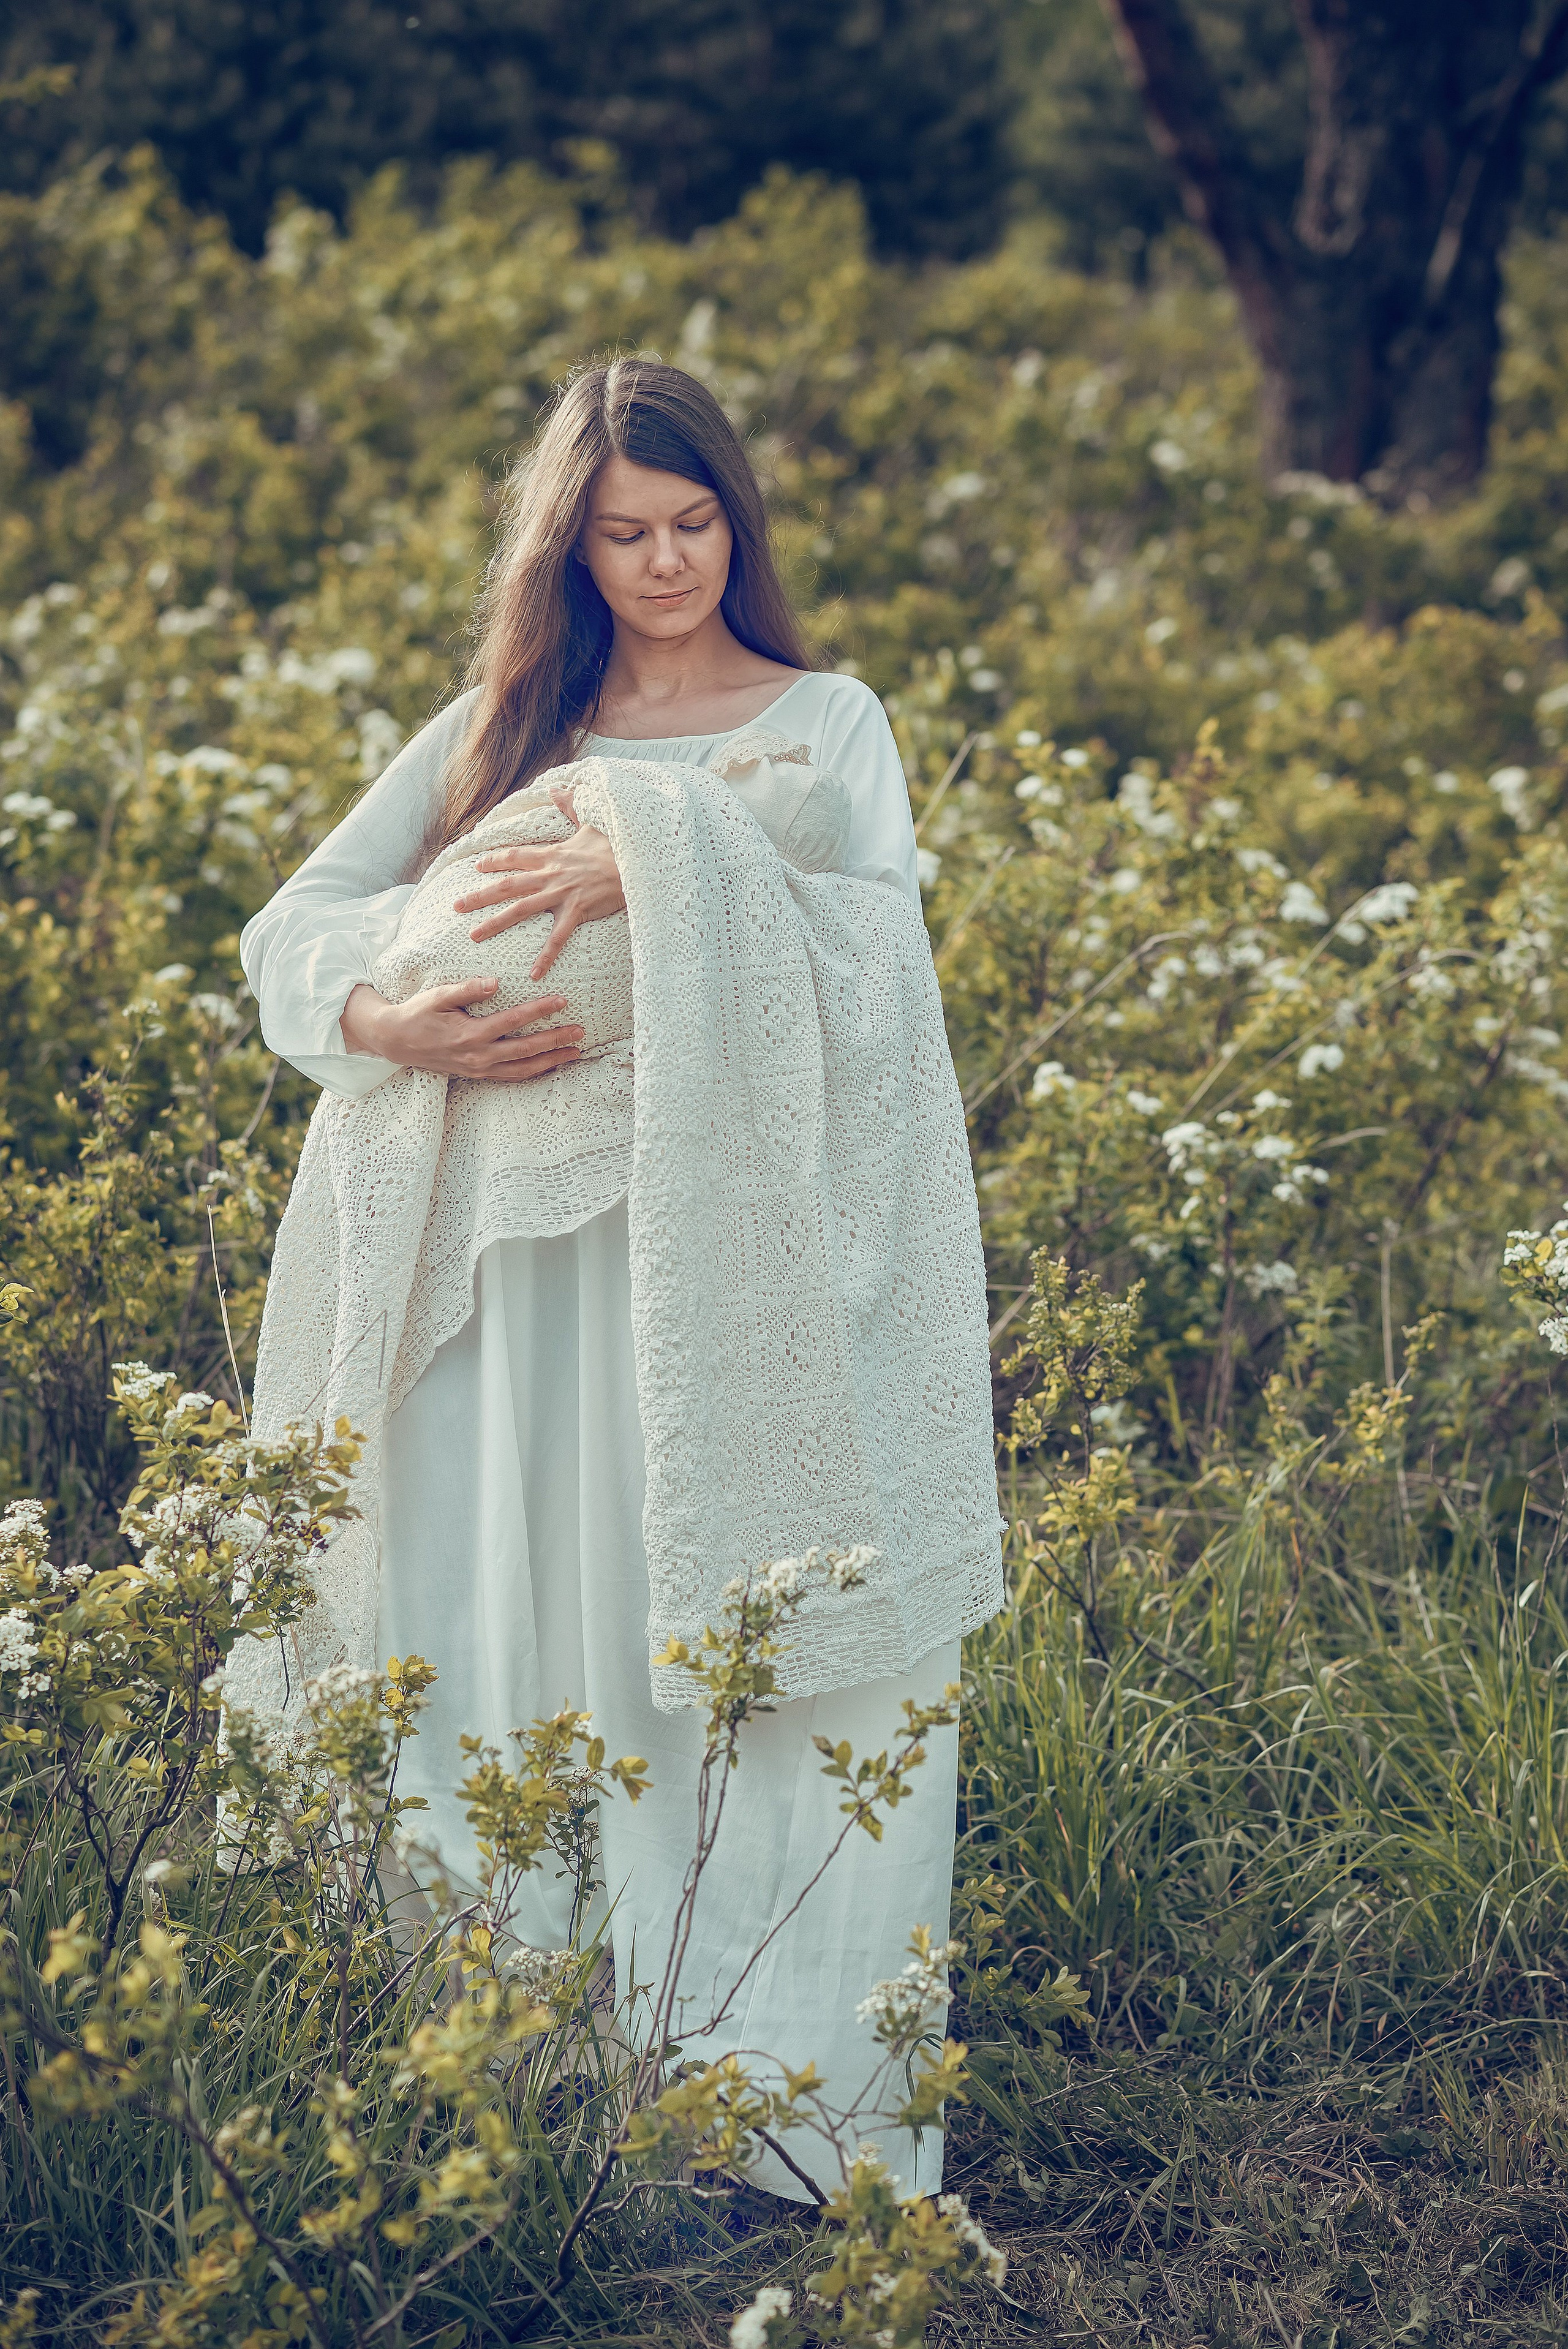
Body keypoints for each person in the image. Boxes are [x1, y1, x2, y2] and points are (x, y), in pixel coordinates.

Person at [239, 359, 998, 2201]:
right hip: (514, 1257)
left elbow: (879, 967)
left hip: (723, 1265)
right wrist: (382, 1010)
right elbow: (297, 920)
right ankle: (515, 2063)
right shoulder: (509, 723)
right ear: (570, 551)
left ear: (739, 520)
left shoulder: (828, 720)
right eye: (624, 535)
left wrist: (656, 858)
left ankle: (741, 2084)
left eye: (695, 524)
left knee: (699, 1641)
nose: (666, 563)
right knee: (519, 1617)